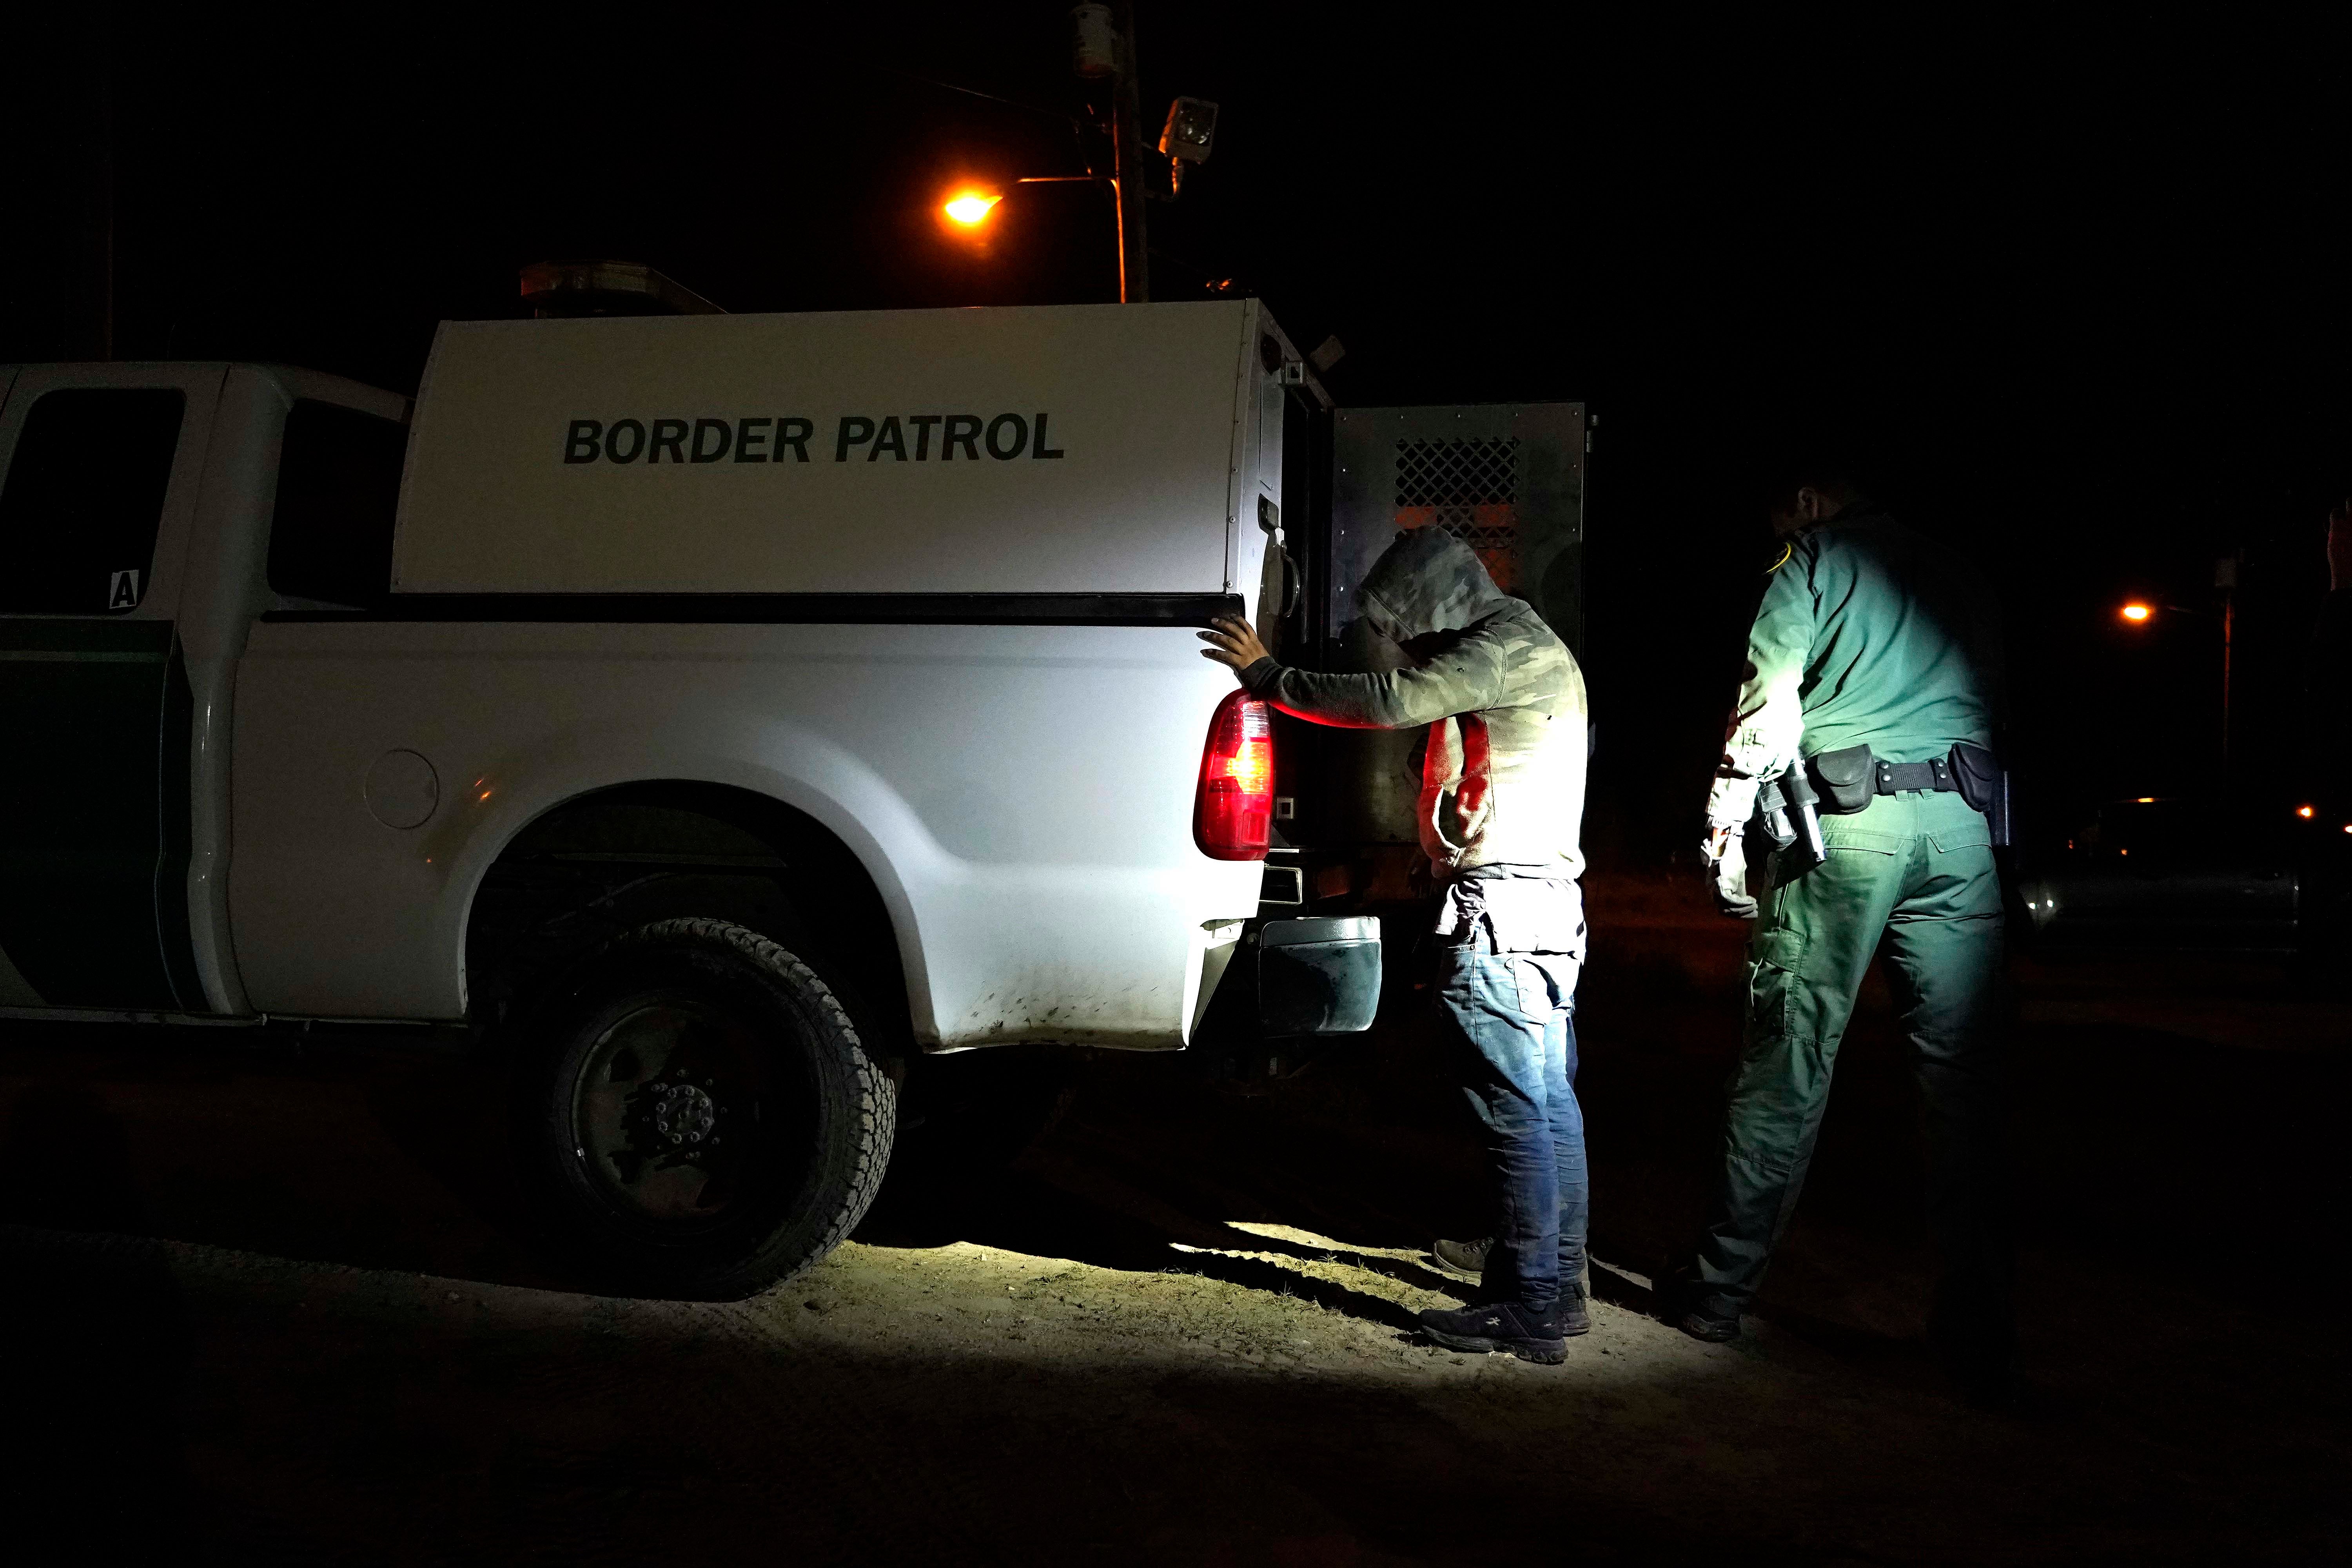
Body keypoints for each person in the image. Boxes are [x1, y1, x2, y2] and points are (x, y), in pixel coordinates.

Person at [1198, 526, 1591, 1365]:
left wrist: (1269, 676)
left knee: (1513, 1104)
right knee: (1548, 1100)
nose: (1404, 641)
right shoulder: (1530, 642)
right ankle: (1556, 1283)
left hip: (1504, 908)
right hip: (1545, 906)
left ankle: (1532, 1304)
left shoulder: (1495, 649)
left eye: (1403, 620)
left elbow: (1386, 699)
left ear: (1432, 600)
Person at [1666, 469, 2015, 1401]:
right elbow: (1991, 694)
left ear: (1808, 501)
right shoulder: (1956, 568)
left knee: (1790, 1055)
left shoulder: (1810, 561)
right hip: (1964, 828)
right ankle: (1979, 1330)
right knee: (1965, 1084)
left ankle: (1719, 1290)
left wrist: (1722, 830)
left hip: (1849, 825)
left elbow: (1767, 703)